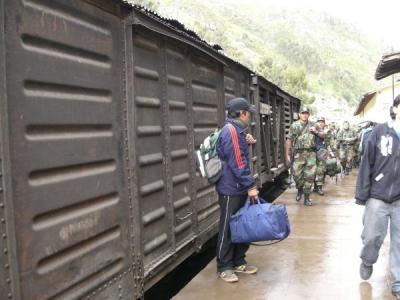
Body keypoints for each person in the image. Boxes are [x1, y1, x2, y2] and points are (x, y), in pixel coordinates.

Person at [355, 95, 400, 299]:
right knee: (372, 237)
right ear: (395, 108)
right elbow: (366, 164)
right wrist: (362, 195)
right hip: (378, 195)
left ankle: (398, 280)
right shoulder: (379, 132)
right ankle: (367, 260)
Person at [215, 97, 258, 283]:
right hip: (230, 188)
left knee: (241, 224)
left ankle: (238, 261)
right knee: (227, 228)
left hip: (237, 186)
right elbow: (238, 162)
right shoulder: (231, 131)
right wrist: (251, 186)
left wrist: (246, 141)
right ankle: (224, 267)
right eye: (249, 113)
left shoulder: (237, 131)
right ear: (243, 114)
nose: (249, 116)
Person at [285, 106, 323, 206]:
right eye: (303, 113)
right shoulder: (294, 125)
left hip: (311, 154)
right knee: (297, 176)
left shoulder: (314, 124)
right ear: (299, 114)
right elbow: (289, 139)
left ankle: (307, 197)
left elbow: (323, 135)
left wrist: (316, 132)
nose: (304, 115)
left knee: (310, 176)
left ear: (309, 114)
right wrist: (287, 153)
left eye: (306, 113)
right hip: (298, 154)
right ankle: (299, 189)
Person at [313, 116, 332, 195]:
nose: (320, 123)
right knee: (312, 171)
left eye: (322, 122)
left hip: (322, 153)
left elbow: (328, 141)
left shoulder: (327, 131)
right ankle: (315, 187)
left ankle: (319, 188)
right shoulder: (312, 130)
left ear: (324, 123)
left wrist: (330, 153)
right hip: (312, 153)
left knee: (321, 170)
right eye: (319, 122)